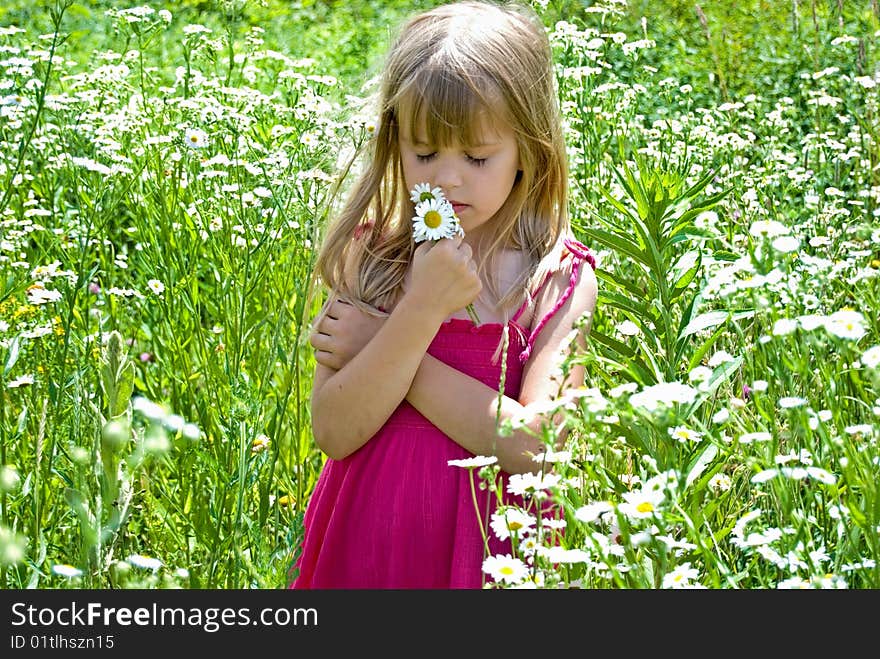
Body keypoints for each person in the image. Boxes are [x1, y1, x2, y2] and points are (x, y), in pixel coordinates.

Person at [290, 0, 598, 589]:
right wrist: (421, 307)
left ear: (528, 151)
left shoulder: (556, 279)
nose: (446, 178)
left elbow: (538, 448)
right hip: (368, 548)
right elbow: (333, 431)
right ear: (394, 140)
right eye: (424, 153)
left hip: (491, 555)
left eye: (478, 157)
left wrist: (390, 342)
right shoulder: (374, 256)